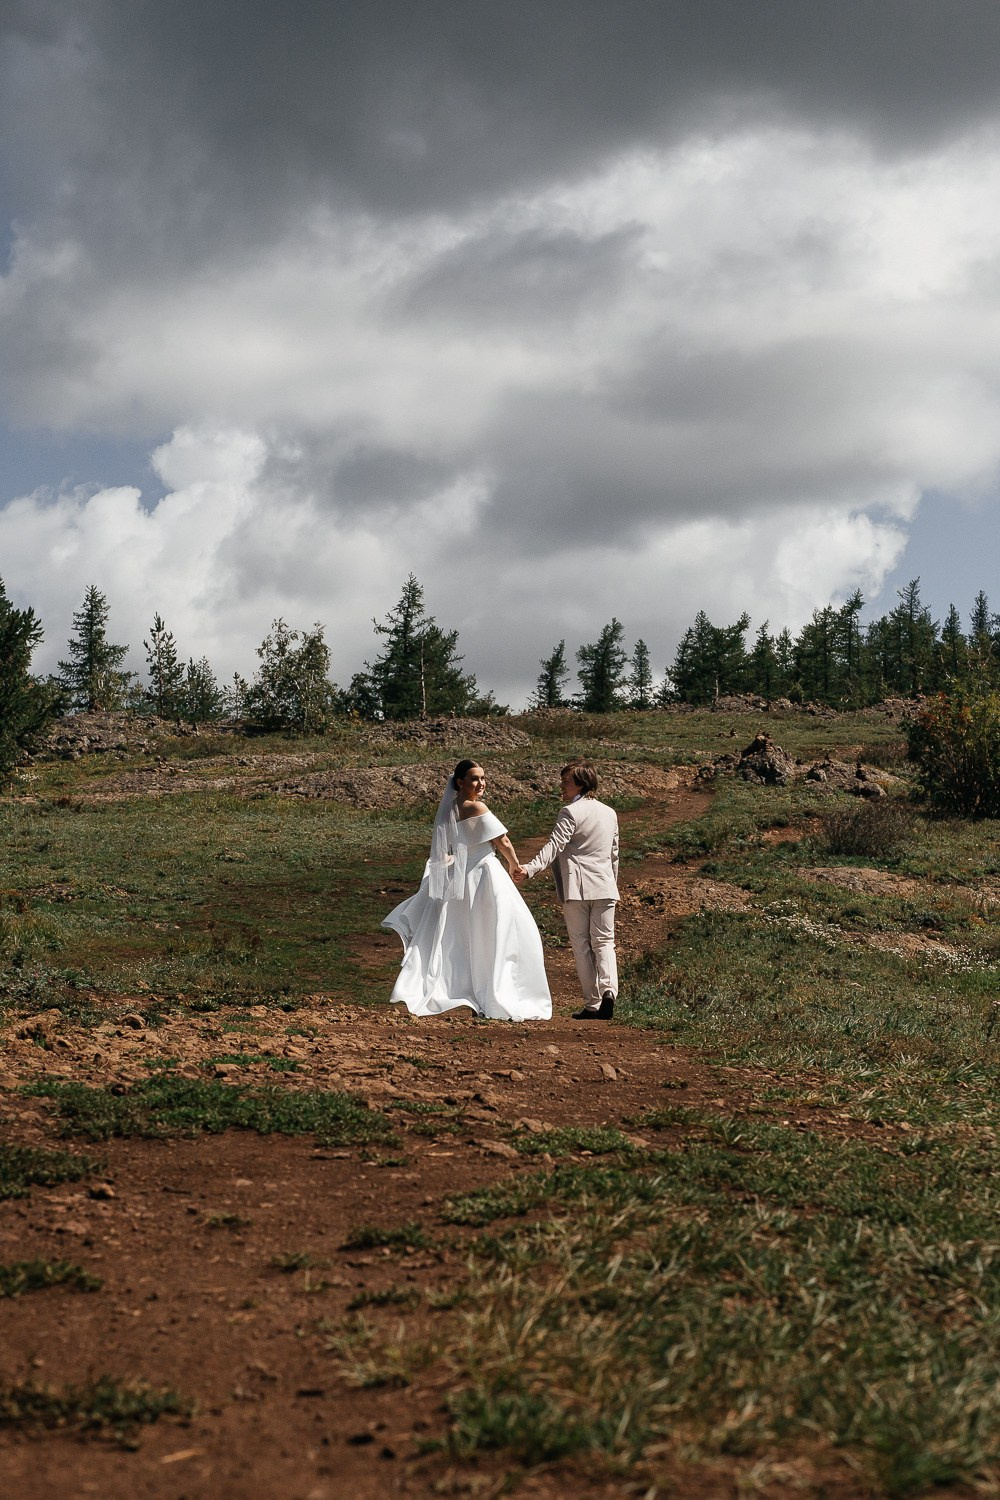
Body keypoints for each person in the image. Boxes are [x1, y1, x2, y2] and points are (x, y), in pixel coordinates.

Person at [382, 759, 552, 1020]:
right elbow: (502, 839)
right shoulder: (476, 807)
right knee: (504, 929)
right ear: (460, 782)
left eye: (483, 778)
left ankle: (469, 987)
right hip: (484, 871)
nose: (481, 783)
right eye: (475, 778)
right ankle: (499, 990)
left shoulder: (450, 809)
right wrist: (515, 865)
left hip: (461, 876)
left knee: (466, 933)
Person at [513, 760, 619, 1019]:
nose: (562, 787)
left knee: (582, 945)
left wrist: (530, 868)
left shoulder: (570, 812)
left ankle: (592, 1003)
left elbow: (554, 846)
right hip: (605, 886)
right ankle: (609, 992)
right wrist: (613, 883)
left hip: (577, 888)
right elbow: (614, 854)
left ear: (581, 784)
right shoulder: (610, 812)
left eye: (566, 782)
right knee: (605, 941)